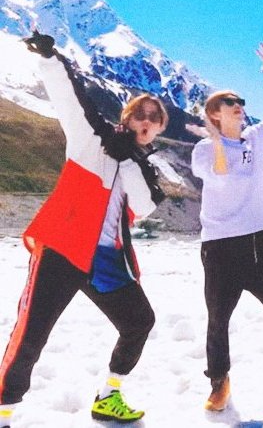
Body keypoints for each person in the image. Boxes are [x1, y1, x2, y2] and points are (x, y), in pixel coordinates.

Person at [0, 31, 167, 426]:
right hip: (63, 248)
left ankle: (109, 395)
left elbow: (144, 205)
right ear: (126, 118)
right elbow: (71, 101)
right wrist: (50, 58)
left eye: (154, 117)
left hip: (106, 261)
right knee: (32, 333)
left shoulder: (143, 169)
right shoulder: (91, 139)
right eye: (139, 114)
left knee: (139, 321)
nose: (146, 120)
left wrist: (129, 159)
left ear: (159, 128)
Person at [190, 42, 263, 412]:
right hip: (220, 246)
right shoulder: (203, 150)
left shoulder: (256, 139)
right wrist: (216, 141)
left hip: (259, 241)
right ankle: (219, 381)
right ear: (214, 113)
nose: (239, 105)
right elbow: (221, 177)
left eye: (241, 101)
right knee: (218, 318)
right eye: (229, 102)